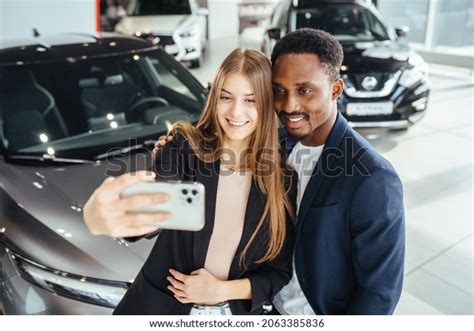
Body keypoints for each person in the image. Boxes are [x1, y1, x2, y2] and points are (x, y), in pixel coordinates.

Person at [153, 28, 405, 315]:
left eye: (304, 90)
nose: (289, 105)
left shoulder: (372, 176)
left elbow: (379, 295)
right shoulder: (274, 145)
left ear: (335, 89)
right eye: (279, 91)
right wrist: (175, 146)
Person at [83, 48, 297, 315]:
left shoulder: (283, 179)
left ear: (266, 104)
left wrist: (222, 291)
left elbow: (277, 273)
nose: (236, 111)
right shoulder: (185, 147)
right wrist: (129, 212)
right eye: (226, 97)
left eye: (250, 100)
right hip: (160, 308)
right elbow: (153, 210)